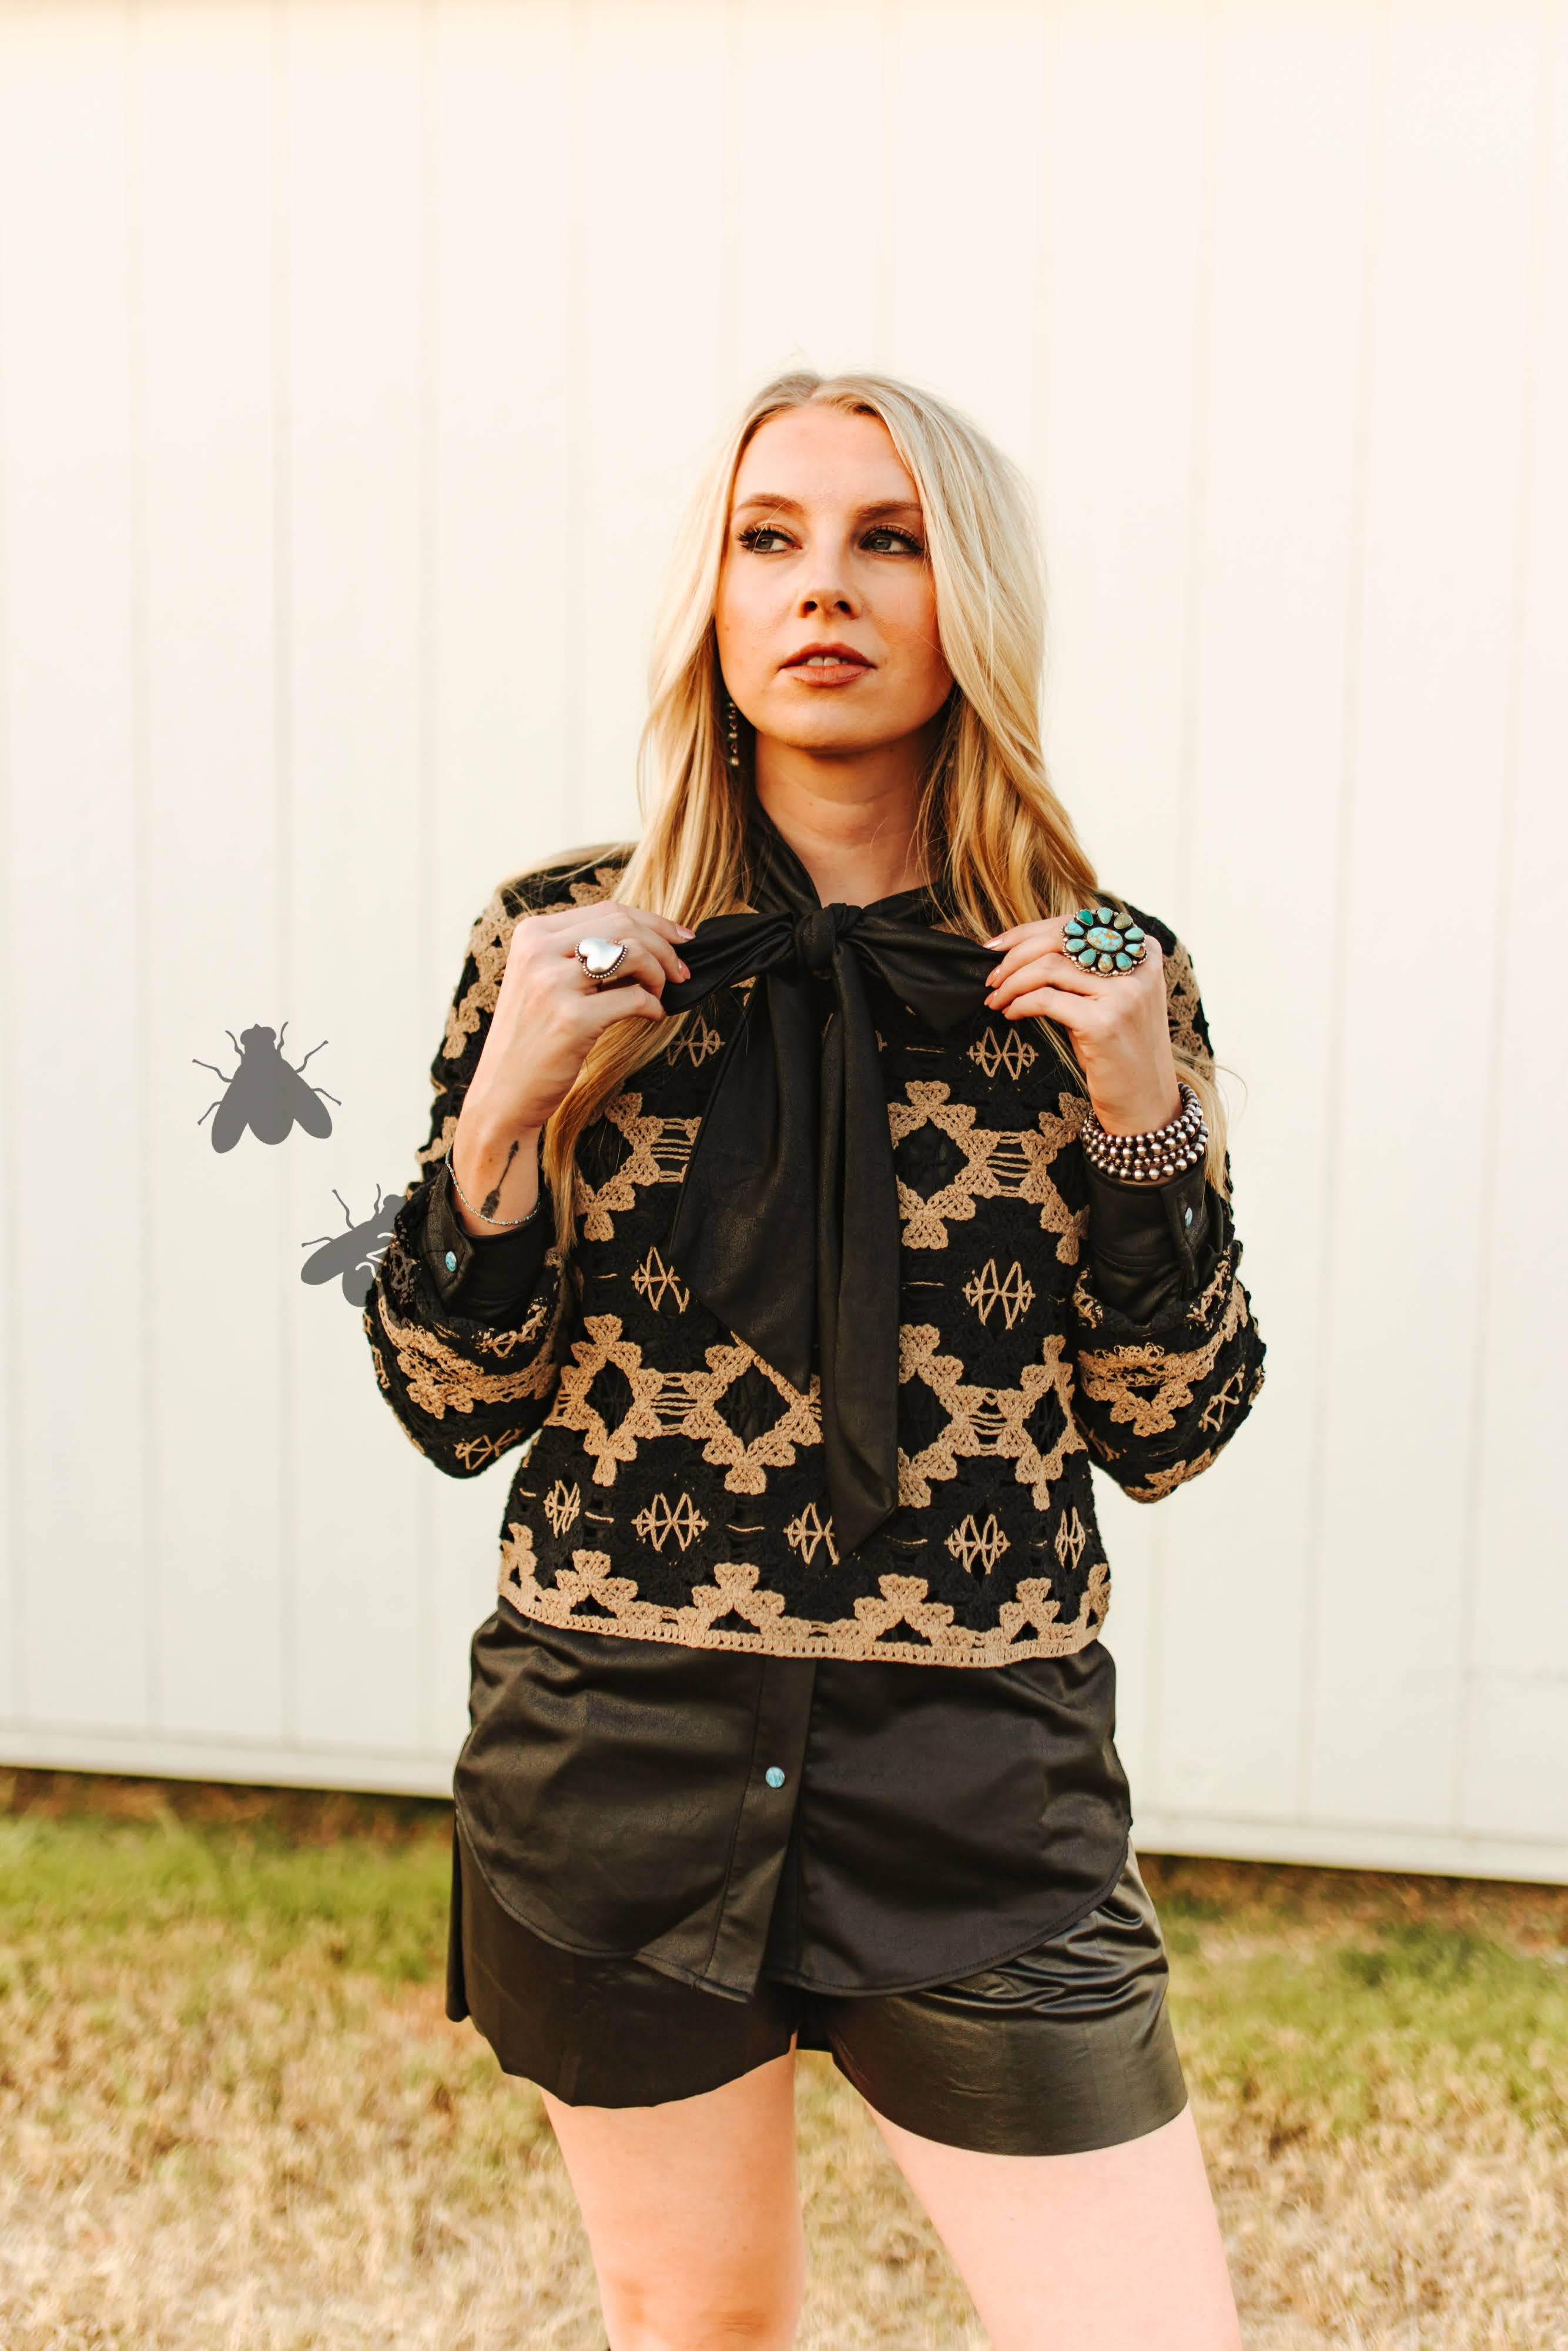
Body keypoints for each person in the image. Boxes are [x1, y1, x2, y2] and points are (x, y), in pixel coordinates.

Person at [364, 369, 1265, 2351]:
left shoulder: (1108, 969)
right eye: (768, 539)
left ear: (972, 604)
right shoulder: (557, 947)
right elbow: (452, 1405)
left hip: (977, 1789)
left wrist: (1135, 1122)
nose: (820, 590)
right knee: (700, 2330)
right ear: (711, 595)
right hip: (620, 1757)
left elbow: (1169, 1423)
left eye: (888, 541)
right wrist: (501, 1119)